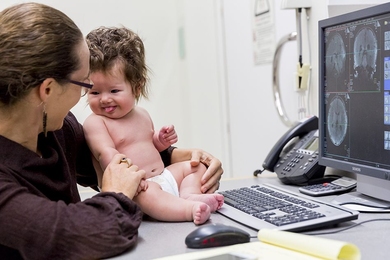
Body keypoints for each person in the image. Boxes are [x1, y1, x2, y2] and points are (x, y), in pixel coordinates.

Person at [0, 3, 223, 259]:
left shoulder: (56, 131)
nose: (88, 97)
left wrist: (185, 156)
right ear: (47, 90)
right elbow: (79, 236)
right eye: (87, 85)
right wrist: (117, 194)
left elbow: (124, 158)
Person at [83, 26, 224, 225]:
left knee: (195, 167)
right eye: (95, 93)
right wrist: (129, 179)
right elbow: (106, 154)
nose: (105, 99)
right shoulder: (95, 123)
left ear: (137, 87)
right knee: (149, 195)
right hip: (137, 188)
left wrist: (160, 141)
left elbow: (150, 148)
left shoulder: (142, 114)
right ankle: (188, 209)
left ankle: (190, 195)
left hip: (163, 176)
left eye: (114, 91)